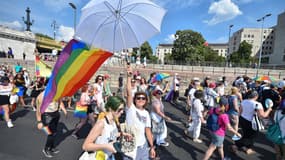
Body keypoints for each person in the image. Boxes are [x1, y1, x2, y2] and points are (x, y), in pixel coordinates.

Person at [125, 65, 156, 159]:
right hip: (130, 145)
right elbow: (129, 92)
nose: (141, 100)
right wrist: (129, 76)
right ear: (135, 100)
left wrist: (151, 147)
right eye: (138, 98)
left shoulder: (146, 113)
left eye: (143, 98)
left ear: (146, 101)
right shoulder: (131, 108)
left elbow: (148, 130)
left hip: (142, 145)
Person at [231, 90, 273, 155]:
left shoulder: (244, 101)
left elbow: (240, 111)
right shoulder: (258, 104)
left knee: (246, 134)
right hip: (251, 122)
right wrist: (269, 109)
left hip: (243, 119)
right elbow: (263, 116)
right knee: (251, 137)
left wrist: (238, 120)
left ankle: (247, 148)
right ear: (256, 96)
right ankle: (236, 145)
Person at [36, 90, 67, 158]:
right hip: (46, 116)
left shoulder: (57, 92)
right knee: (50, 134)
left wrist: (64, 109)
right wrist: (39, 121)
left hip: (55, 114)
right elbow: (38, 109)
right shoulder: (41, 95)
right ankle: (46, 149)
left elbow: (60, 101)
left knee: (54, 133)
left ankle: (51, 147)